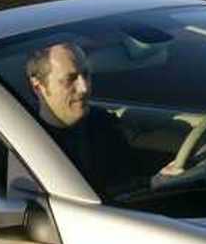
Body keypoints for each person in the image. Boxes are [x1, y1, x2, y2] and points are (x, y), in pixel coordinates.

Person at [24, 41, 143, 196]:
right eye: (70, 79)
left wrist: (156, 183)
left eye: (86, 74)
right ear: (38, 87)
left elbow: (127, 185)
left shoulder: (104, 125)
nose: (84, 87)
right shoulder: (22, 142)